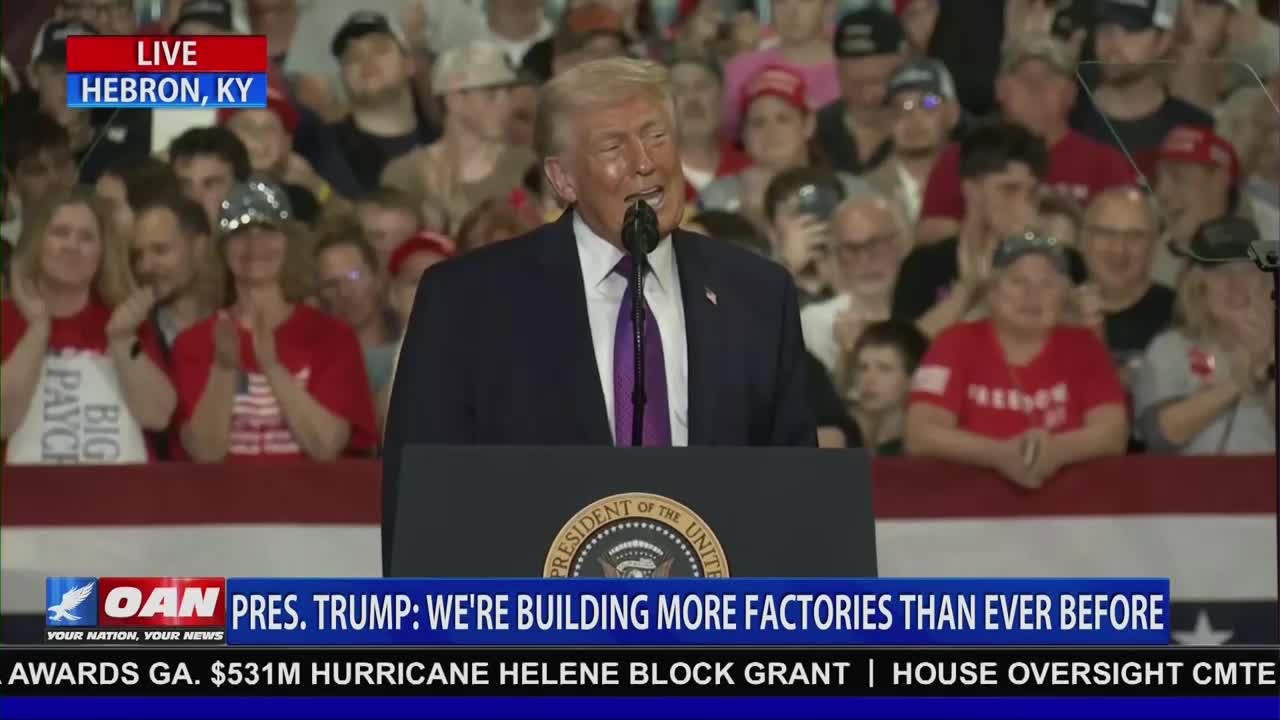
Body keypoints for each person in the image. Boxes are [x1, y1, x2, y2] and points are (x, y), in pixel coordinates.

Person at [384, 57, 817, 570]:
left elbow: (798, 501)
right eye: (614, 147)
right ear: (563, 179)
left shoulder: (756, 294)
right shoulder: (466, 301)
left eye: (657, 136)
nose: (645, 162)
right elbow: (421, 509)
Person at [170, 180, 377, 463]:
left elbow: (326, 446)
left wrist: (272, 366)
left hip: (311, 493)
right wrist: (223, 368)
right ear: (222, 249)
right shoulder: (194, 342)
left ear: (290, 244)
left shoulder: (331, 336)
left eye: (268, 231)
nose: (255, 245)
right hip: (224, 494)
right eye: (240, 233)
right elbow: (206, 452)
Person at [905, 230, 1129, 489]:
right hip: (968, 501)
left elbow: (1113, 433)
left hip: (1070, 501)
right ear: (992, 292)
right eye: (1018, 281)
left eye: (1046, 284)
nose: (1032, 294)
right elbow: (920, 434)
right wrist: (999, 455)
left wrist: (1057, 451)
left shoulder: (1086, 348)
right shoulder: (953, 344)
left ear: (1063, 296)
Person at [1, 188, 176, 464]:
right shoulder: (6, 318)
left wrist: (123, 341)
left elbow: (158, 415)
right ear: (37, 243)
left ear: (102, 252)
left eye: (86, 238)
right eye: (60, 233)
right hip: (26, 488)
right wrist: (36, 330)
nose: (72, 246)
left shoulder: (125, 319)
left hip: (122, 487)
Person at [915, 34, 1135, 246]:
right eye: (1022, 76)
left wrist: (1070, 218)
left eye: (1050, 76)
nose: (1035, 86)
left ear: (1071, 94)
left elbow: (1127, 238)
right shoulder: (960, 157)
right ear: (1000, 89)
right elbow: (931, 235)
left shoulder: (1105, 163)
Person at [1133, 216, 1275, 455]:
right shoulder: (1169, 349)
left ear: (1266, 280)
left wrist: (1266, 363)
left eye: (1247, 270)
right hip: (1192, 478)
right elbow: (1159, 436)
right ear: (1198, 284)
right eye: (1220, 271)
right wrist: (1240, 382)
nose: (1235, 284)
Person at [891, 122, 1047, 337]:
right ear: (971, 191)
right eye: (1009, 190)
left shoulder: (1061, 264)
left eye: (1031, 194)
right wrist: (969, 289)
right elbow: (907, 350)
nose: (1023, 205)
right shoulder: (924, 266)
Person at [381, 41, 536, 232]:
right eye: (492, 94)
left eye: (508, 93)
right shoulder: (405, 175)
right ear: (454, 101)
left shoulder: (526, 166)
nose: (506, 105)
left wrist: (457, 214)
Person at [1072, 0, 1214, 175]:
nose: (1114, 43)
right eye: (1105, 27)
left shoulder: (1194, 131)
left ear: (1163, 41)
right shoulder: (1065, 115)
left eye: (1131, 29)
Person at [801, 188, 910, 375]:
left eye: (875, 244)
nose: (865, 259)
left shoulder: (936, 313)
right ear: (835, 256)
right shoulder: (813, 324)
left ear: (903, 244)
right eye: (851, 249)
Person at [698, 65, 818, 228]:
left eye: (783, 119)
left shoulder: (845, 192)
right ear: (744, 134)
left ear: (808, 125)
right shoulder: (714, 199)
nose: (771, 131)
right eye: (758, 122)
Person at [1078, 186, 1174, 371]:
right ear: (1083, 240)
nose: (1119, 249)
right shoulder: (1054, 311)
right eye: (1106, 233)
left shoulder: (1179, 315)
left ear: (1154, 246)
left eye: (1135, 237)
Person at [720, 0, 840, 142]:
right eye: (781, 2)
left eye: (805, 1)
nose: (792, 12)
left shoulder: (852, 69)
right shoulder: (740, 70)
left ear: (829, 7)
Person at [866, 58, 960, 225]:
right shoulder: (865, 191)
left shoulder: (977, 182)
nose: (915, 119)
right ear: (886, 121)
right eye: (900, 108)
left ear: (953, 113)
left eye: (929, 104)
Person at [814, 7, 907, 176]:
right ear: (838, 72)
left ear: (904, 64)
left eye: (877, 81)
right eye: (855, 84)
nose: (867, 96)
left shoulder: (934, 126)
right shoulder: (814, 132)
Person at [1151, 124, 1241, 286]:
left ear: (1219, 180)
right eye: (1157, 177)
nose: (1162, 192)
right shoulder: (1144, 258)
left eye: (1178, 176)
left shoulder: (1263, 262)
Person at [667, 49, 751, 204]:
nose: (692, 99)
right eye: (679, 90)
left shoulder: (750, 172)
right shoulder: (645, 178)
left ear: (723, 95)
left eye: (702, 87)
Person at [843, 319, 929, 456]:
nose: (868, 379)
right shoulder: (842, 435)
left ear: (913, 378)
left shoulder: (922, 452)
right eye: (863, 368)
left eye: (884, 369)